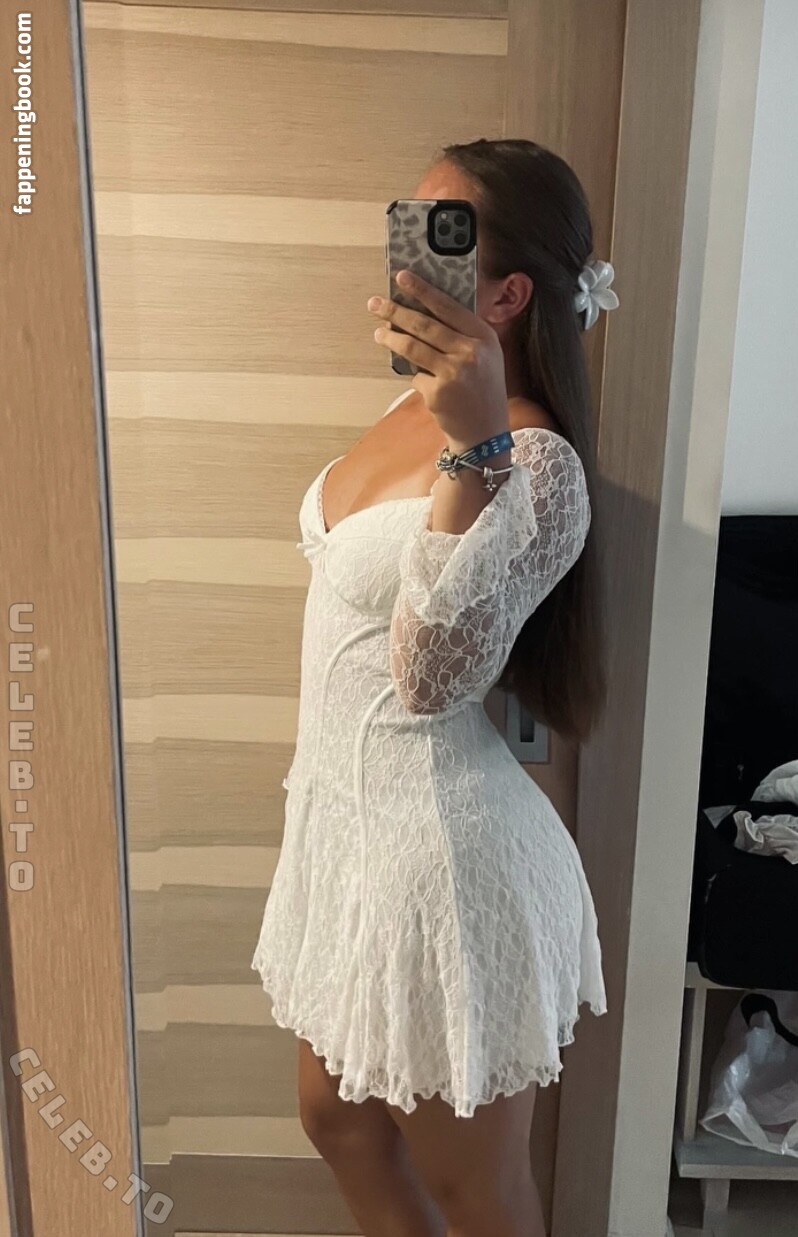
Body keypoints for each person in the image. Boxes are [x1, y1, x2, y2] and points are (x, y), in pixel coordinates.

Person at [251, 137, 618, 1237]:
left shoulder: (536, 463)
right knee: (338, 1121)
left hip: (443, 865)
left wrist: (476, 451)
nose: (409, 253)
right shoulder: (411, 407)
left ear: (508, 293)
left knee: (478, 1190)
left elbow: (430, 677)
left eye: (440, 233)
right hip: (345, 835)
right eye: (407, 222)